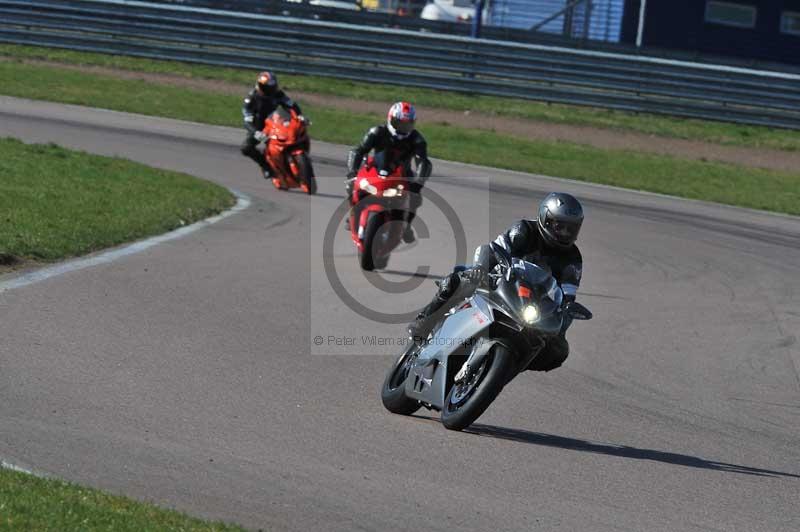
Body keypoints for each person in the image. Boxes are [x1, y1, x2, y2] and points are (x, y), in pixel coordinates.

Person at [408, 192, 584, 372]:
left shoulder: (573, 258)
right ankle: (425, 320)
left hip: (531, 303)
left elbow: (567, 296)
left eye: (571, 229)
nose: (565, 233)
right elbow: (493, 249)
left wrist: (561, 328)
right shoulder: (525, 230)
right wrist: (480, 269)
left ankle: (507, 366)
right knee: (456, 281)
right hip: (499, 279)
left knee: (558, 350)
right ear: (546, 219)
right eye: (559, 226)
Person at [345, 102, 432, 243]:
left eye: (408, 124)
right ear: (391, 119)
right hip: (375, 169)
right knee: (351, 185)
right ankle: (353, 214)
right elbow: (358, 151)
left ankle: (406, 226)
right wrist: (352, 173)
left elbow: (423, 162)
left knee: (415, 198)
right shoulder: (377, 132)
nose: (404, 128)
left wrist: (418, 184)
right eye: (400, 123)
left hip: (402, 173)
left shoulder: (417, 139)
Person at [240, 71, 303, 178]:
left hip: (277, 122)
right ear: (260, 86)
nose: (269, 91)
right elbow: (247, 119)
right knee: (246, 148)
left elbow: (291, 105)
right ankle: (265, 166)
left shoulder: (278, 94)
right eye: (267, 88)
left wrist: (299, 115)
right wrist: (256, 132)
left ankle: (300, 155)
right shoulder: (251, 98)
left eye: (272, 87)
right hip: (260, 126)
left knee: (294, 134)